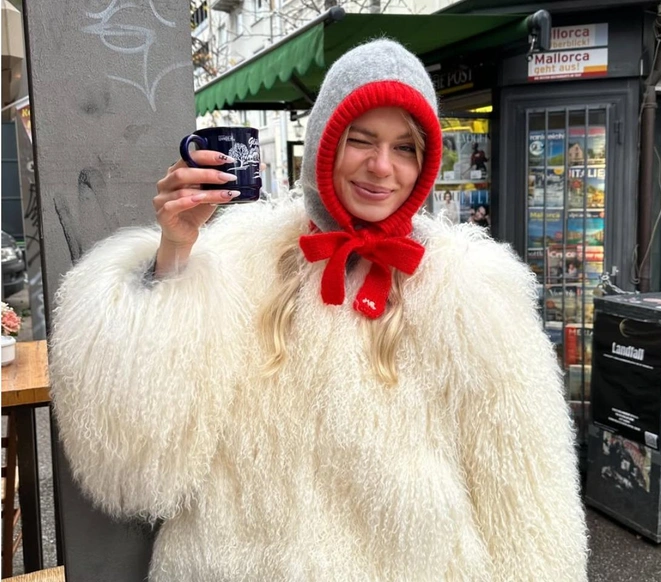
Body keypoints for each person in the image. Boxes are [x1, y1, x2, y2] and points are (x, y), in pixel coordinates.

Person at [50, 39, 587, 581]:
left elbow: (527, 500)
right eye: (361, 140)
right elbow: (136, 457)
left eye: (405, 148)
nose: (382, 167)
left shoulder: (471, 290)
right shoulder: (242, 260)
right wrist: (175, 251)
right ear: (323, 145)